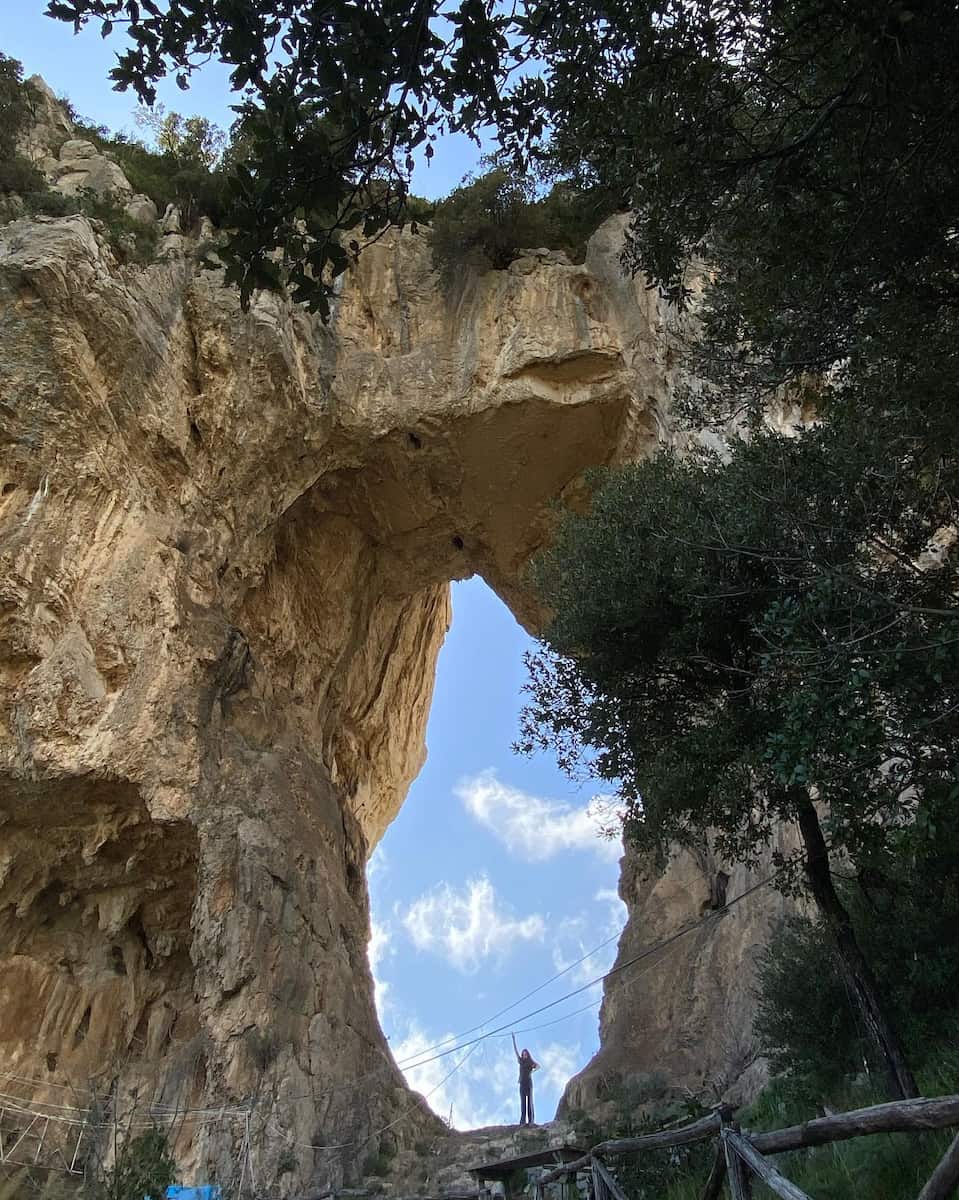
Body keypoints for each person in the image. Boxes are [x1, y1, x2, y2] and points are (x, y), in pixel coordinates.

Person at [512, 1033, 539, 1126]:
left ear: (527, 1054)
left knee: (529, 1101)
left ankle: (531, 1121)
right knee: (523, 1102)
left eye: (525, 1054)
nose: (524, 1055)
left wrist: (531, 1072)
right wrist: (514, 1040)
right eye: (523, 1054)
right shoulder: (521, 1061)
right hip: (522, 1083)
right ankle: (522, 1121)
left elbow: (538, 1066)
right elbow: (515, 1051)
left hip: (528, 1083)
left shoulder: (530, 1061)